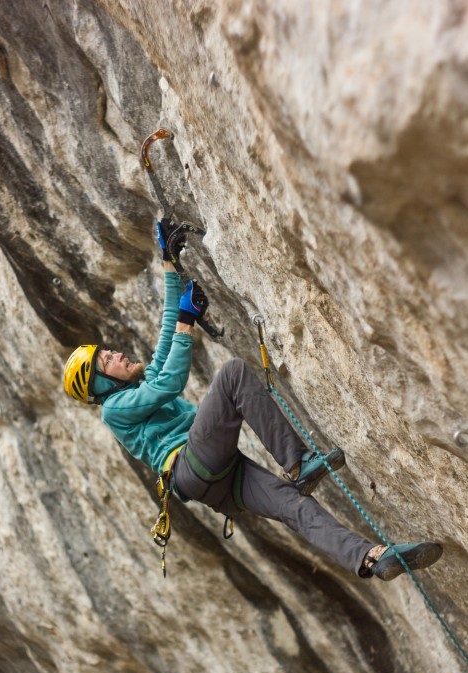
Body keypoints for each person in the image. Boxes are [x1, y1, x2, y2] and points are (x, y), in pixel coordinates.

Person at [63, 221, 443, 581]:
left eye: (108, 352)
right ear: (99, 383)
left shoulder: (135, 388)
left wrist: (169, 266)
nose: (115, 354)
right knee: (233, 374)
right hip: (192, 465)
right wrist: (186, 323)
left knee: (293, 507)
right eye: (106, 360)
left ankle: (371, 557)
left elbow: (166, 335)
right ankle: (299, 464)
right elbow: (167, 385)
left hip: (215, 480)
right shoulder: (114, 410)